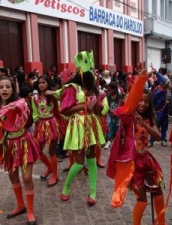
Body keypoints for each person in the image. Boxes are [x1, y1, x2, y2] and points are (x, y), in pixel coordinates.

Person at [108, 89, 166, 225]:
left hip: (147, 161)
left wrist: (144, 123)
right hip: (134, 164)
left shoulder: (149, 119)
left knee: (159, 194)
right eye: (140, 100)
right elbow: (119, 112)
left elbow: (157, 136)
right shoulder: (128, 119)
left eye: (146, 101)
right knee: (142, 200)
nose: (143, 104)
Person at [60, 51, 105, 206]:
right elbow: (64, 110)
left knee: (92, 160)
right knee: (79, 163)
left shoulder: (94, 90)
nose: (89, 75)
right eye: (86, 72)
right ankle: (66, 188)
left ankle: (93, 192)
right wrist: (83, 105)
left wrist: (97, 106)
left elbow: (98, 112)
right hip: (78, 127)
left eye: (90, 73)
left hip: (92, 126)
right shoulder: (71, 88)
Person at [0, 77, 39, 225]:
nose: (4, 89)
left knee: (27, 177)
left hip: (23, 142)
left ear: (13, 89)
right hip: (8, 145)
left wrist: (21, 110)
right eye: (1, 87)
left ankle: (30, 211)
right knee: (13, 176)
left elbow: (29, 121)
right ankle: (20, 205)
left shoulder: (21, 103)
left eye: (8, 87)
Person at [32, 75, 63, 187]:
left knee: (52, 151)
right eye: (39, 82)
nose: (41, 85)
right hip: (40, 125)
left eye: (44, 82)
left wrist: (52, 93)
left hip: (52, 124)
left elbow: (63, 94)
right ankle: (49, 167)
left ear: (48, 83)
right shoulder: (34, 98)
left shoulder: (52, 96)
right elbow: (35, 114)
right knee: (37, 150)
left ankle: (54, 175)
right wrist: (36, 127)